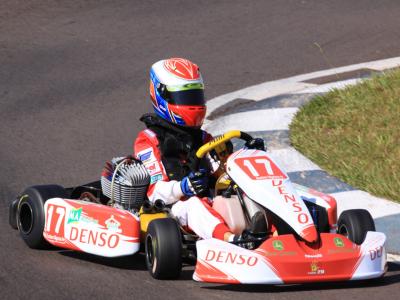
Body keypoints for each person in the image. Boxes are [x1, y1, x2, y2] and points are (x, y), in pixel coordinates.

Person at [134, 58, 264, 242]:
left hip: (210, 200)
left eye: (196, 96)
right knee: (194, 204)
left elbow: (223, 174)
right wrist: (183, 187)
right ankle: (232, 241)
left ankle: (274, 232)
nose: (193, 104)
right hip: (173, 209)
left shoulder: (203, 138)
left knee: (248, 191)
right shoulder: (149, 139)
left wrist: (249, 156)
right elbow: (154, 192)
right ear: (163, 95)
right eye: (185, 98)